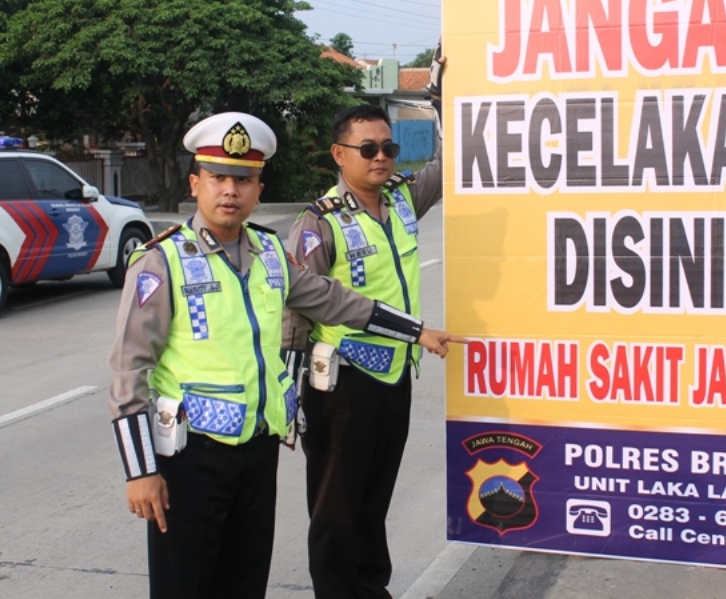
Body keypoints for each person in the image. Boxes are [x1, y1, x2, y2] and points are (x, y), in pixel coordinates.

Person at [108, 111, 463, 599]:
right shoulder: (161, 261)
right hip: (193, 455)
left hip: (258, 452)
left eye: (244, 180)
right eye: (218, 178)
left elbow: (336, 302)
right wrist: (141, 470)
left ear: (258, 188)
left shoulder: (271, 254)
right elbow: (130, 368)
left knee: (245, 582)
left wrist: (416, 332)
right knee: (186, 585)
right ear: (196, 183)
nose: (230, 191)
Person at [283, 47, 446, 599]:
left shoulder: (401, 200)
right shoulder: (318, 223)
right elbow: (298, 308)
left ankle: (370, 589)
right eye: (369, 149)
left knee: (374, 499)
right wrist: (290, 391)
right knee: (336, 507)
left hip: (393, 377)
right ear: (339, 154)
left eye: (389, 148)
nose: (381, 158)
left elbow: (449, 166)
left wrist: (444, 97)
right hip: (342, 386)